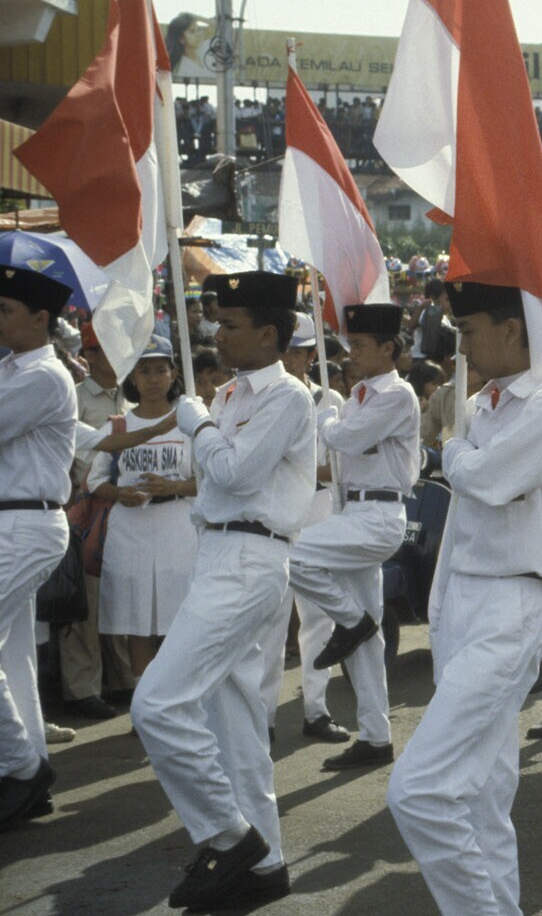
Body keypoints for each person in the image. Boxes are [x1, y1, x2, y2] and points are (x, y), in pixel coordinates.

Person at [387, 280, 542, 916]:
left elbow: (494, 480)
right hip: (464, 597)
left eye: (470, 330)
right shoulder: (482, 406)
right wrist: (440, 610)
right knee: (483, 795)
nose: (462, 345)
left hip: (512, 602)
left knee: (419, 791)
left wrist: (452, 448)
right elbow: (466, 516)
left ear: (511, 330)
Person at [130, 271, 314, 910]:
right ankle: (266, 866)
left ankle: (230, 838)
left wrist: (199, 424)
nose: (218, 333)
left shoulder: (288, 396)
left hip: (248, 555)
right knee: (235, 725)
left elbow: (236, 473)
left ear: (268, 333)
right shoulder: (234, 392)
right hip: (219, 551)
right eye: (217, 321)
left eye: (231, 324)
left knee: (157, 703)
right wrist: (207, 419)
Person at [291, 303, 421, 771]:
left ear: (388, 349)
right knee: (369, 641)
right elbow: (343, 452)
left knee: (289, 554)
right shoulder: (359, 396)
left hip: (379, 514)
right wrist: (338, 419)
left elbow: (343, 440)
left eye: (361, 345)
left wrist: (326, 419)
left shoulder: (397, 394)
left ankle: (349, 620)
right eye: (350, 345)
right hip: (355, 510)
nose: (351, 354)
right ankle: (376, 737)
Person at [0, 265, 77, 830]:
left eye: (4, 310)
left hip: (27, 522)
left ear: (40, 318)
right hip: (12, 521)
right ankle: (26, 769)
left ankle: (23, 769)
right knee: (13, 656)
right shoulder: (11, 369)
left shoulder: (45, 376)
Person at [258, 313, 348, 747]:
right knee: (271, 620)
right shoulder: (266, 395)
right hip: (277, 512)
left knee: (317, 619)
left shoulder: (330, 399)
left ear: (312, 355)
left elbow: (340, 467)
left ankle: (316, 709)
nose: (289, 358)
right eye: (285, 350)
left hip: (317, 510)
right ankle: (262, 716)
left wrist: (298, 472)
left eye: (297, 352)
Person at [91, 335, 199, 677]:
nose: (153, 379)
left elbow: (211, 480)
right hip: (130, 530)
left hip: (177, 527)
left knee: (176, 617)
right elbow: (93, 480)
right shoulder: (118, 426)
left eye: (160, 370)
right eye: (145, 371)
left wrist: (174, 486)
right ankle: (143, 697)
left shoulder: (189, 425)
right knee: (137, 621)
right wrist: (117, 493)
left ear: (174, 374)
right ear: (132, 378)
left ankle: (173, 695)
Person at [62, 322, 131, 719]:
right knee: (85, 606)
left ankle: (123, 679)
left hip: (127, 507)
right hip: (85, 509)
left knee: (121, 597)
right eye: (106, 348)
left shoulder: (133, 392)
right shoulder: (73, 397)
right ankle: (82, 688)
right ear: (89, 355)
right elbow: (69, 453)